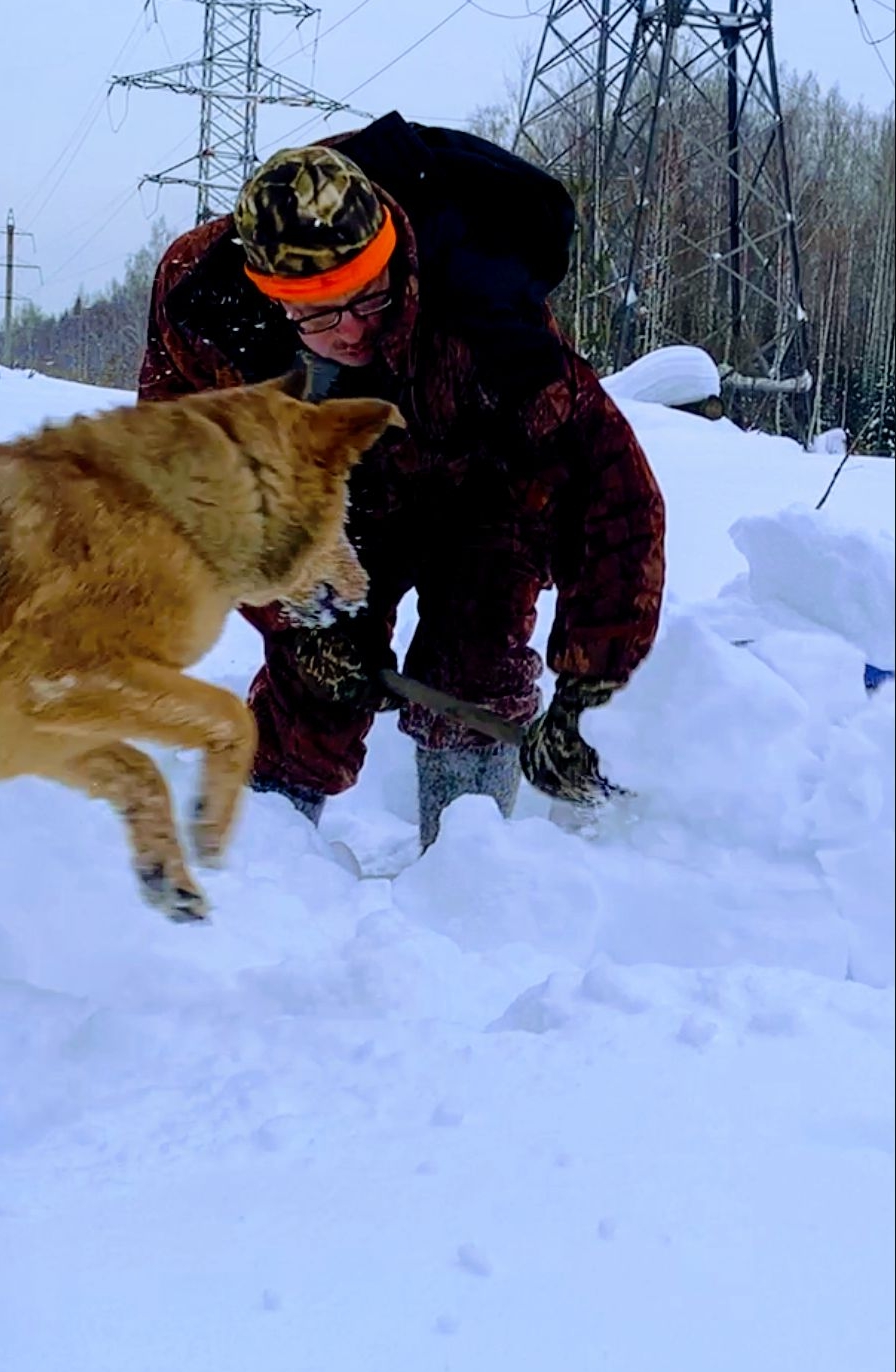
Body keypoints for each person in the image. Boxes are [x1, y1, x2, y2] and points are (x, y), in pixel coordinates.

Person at [138, 111, 666, 848]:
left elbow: (612, 498)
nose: (353, 330)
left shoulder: (485, 303)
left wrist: (592, 693)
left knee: (471, 673)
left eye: (370, 296)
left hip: (484, 490)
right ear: (268, 292)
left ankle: (469, 878)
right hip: (330, 497)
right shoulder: (202, 302)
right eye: (320, 315)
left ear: (393, 248)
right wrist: (296, 616)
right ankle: (267, 875)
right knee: (315, 681)